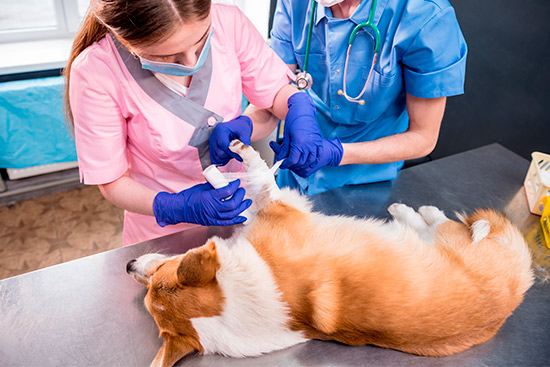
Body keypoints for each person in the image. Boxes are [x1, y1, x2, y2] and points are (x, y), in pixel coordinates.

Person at [64, 0, 312, 245]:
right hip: (162, 235)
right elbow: (112, 181)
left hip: (242, 214)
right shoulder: (95, 71)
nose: (193, 63)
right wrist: (174, 207)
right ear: (129, 42)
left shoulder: (229, 21)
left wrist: (298, 110)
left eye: (202, 40)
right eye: (170, 56)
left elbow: (274, 93)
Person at [266, 0, 467, 195]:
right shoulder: (295, 3)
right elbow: (272, 90)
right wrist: (245, 126)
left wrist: (337, 153)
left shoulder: (425, 15)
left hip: (367, 181)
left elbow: (423, 138)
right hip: (296, 165)